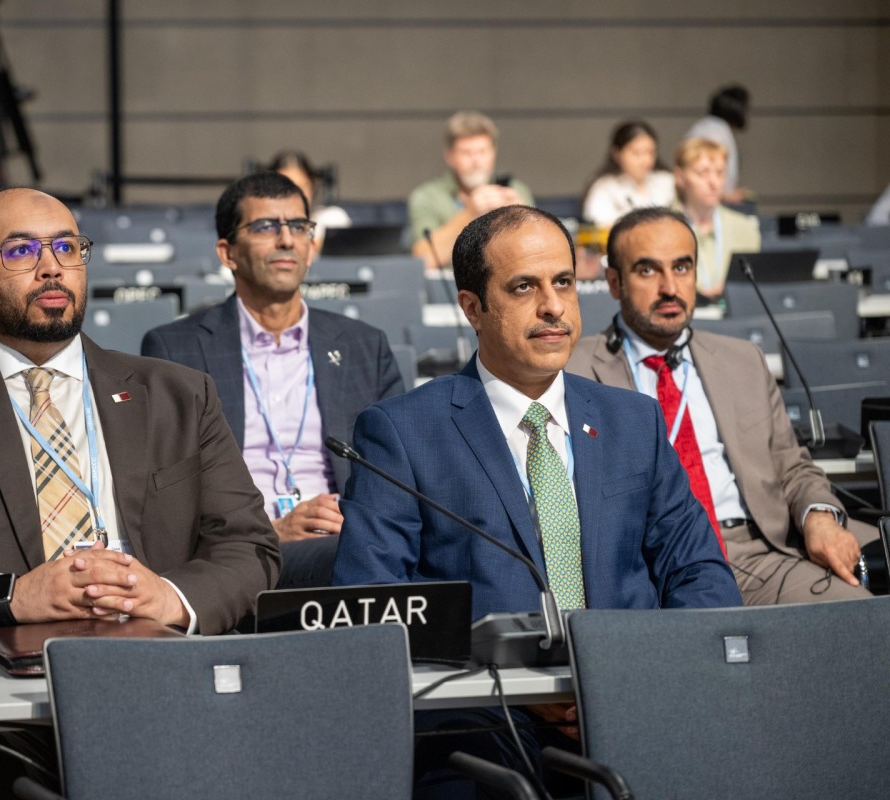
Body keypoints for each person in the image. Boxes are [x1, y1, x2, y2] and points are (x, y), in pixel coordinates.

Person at [332, 204, 739, 797]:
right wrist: (520, 683)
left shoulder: (635, 422)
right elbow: (371, 608)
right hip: (484, 724)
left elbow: (699, 572)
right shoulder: (401, 432)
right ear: (472, 307)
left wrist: (640, 680)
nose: (553, 307)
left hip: (640, 703)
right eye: (524, 287)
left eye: (564, 283)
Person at [0, 187, 280, 650]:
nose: (52, 267)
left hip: (161, 662)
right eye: (20, 251)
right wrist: (11, 597)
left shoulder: (179, 394)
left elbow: (248, 544)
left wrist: (170, 599)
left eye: (67, 247)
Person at [566, 206, 878, 605]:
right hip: (651, 566)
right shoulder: (575, 369)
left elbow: (791, 464)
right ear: (614, 282)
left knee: (864, 623)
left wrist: (818, 516)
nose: (669, 287)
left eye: (682, 268)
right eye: (647, 271)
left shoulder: (742, 360)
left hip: (759, 554)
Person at [142, 172, 404, 587]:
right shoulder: (176, 350)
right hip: (239, 554)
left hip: (345, 540)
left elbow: (394, 473)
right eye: (266, 226)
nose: (287, 240)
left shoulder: (363, 346)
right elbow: (168, 496)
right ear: (228, 253)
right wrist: (268, 532)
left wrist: (353, 521)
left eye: (298, 226)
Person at [408, 111, 534, 270]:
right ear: (450, 156)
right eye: (467, 153)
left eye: (482, 152)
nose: (476, 161)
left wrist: (521, 218)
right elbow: (423, 260)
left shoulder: (515, 190)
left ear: (493, 153)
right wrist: (469, 214)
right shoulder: (427, 196)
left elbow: (535, 255)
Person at [673, 137, 760, 300]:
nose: (714, 182)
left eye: (720, 173)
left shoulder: (745, 227)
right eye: (702, 173)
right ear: (680, 177)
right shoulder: (661, 228)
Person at [581, 120, 675, 228]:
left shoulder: (667, 181)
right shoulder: (604, 187)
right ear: (616, 154)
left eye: (650, 152)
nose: (645, 160)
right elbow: (598, 227)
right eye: (636, 153)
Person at [265, 150, 352, 246]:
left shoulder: (332, 218)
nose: (294, 194)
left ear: (312, 187)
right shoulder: (262, 225)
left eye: (301, 186)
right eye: (284, 186)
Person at [685, 84, 752, 204]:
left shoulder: (708, 127)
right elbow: (703, 174)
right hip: (707, 202)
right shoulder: (715, 133)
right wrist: (726, 195)